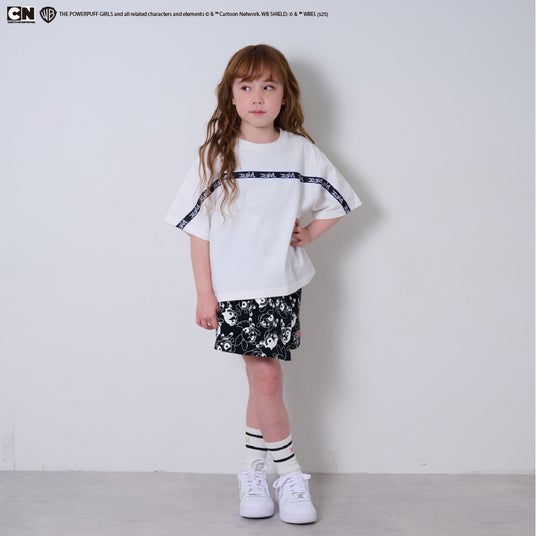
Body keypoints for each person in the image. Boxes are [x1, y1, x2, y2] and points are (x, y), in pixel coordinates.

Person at [165, 44, 361, 525]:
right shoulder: (216, 155)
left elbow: (338, 201)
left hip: (283, 285)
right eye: (246, 86)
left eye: (268, 86)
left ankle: (253, 469)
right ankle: (289, 474)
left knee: (262, 380)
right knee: (267, 377)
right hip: (234, 288)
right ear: (231, 96)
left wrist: (308, 234)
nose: (257, 97)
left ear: (284, 96)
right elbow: (198, 230)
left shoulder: (300, 151)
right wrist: (205, 292)